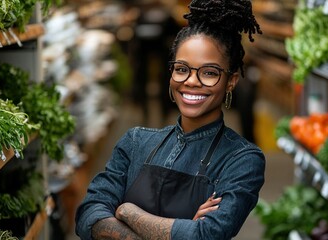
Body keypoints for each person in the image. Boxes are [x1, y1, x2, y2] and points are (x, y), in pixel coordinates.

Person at [75, 0, 265, 239]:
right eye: (182, 69)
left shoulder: (241, 159)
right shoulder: (135, 142)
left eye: (209, 73)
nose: (192, 81)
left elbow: (207, 234)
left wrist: (127, 211)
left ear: (232, 81)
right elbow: (87, 216)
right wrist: (176, 230)